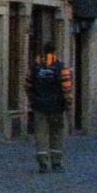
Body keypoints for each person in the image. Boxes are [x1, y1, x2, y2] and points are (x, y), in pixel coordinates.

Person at [26, 42, 73, 172]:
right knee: (56, 133)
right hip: (56, 106)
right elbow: (67, 88)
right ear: (54, 52)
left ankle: (43, 163)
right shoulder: (60, 67)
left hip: (39, 105)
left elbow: (28, 85)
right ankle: (56, 162)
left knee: (40, 133)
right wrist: (68, 104)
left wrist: (32, 99)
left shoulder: (35, 67)